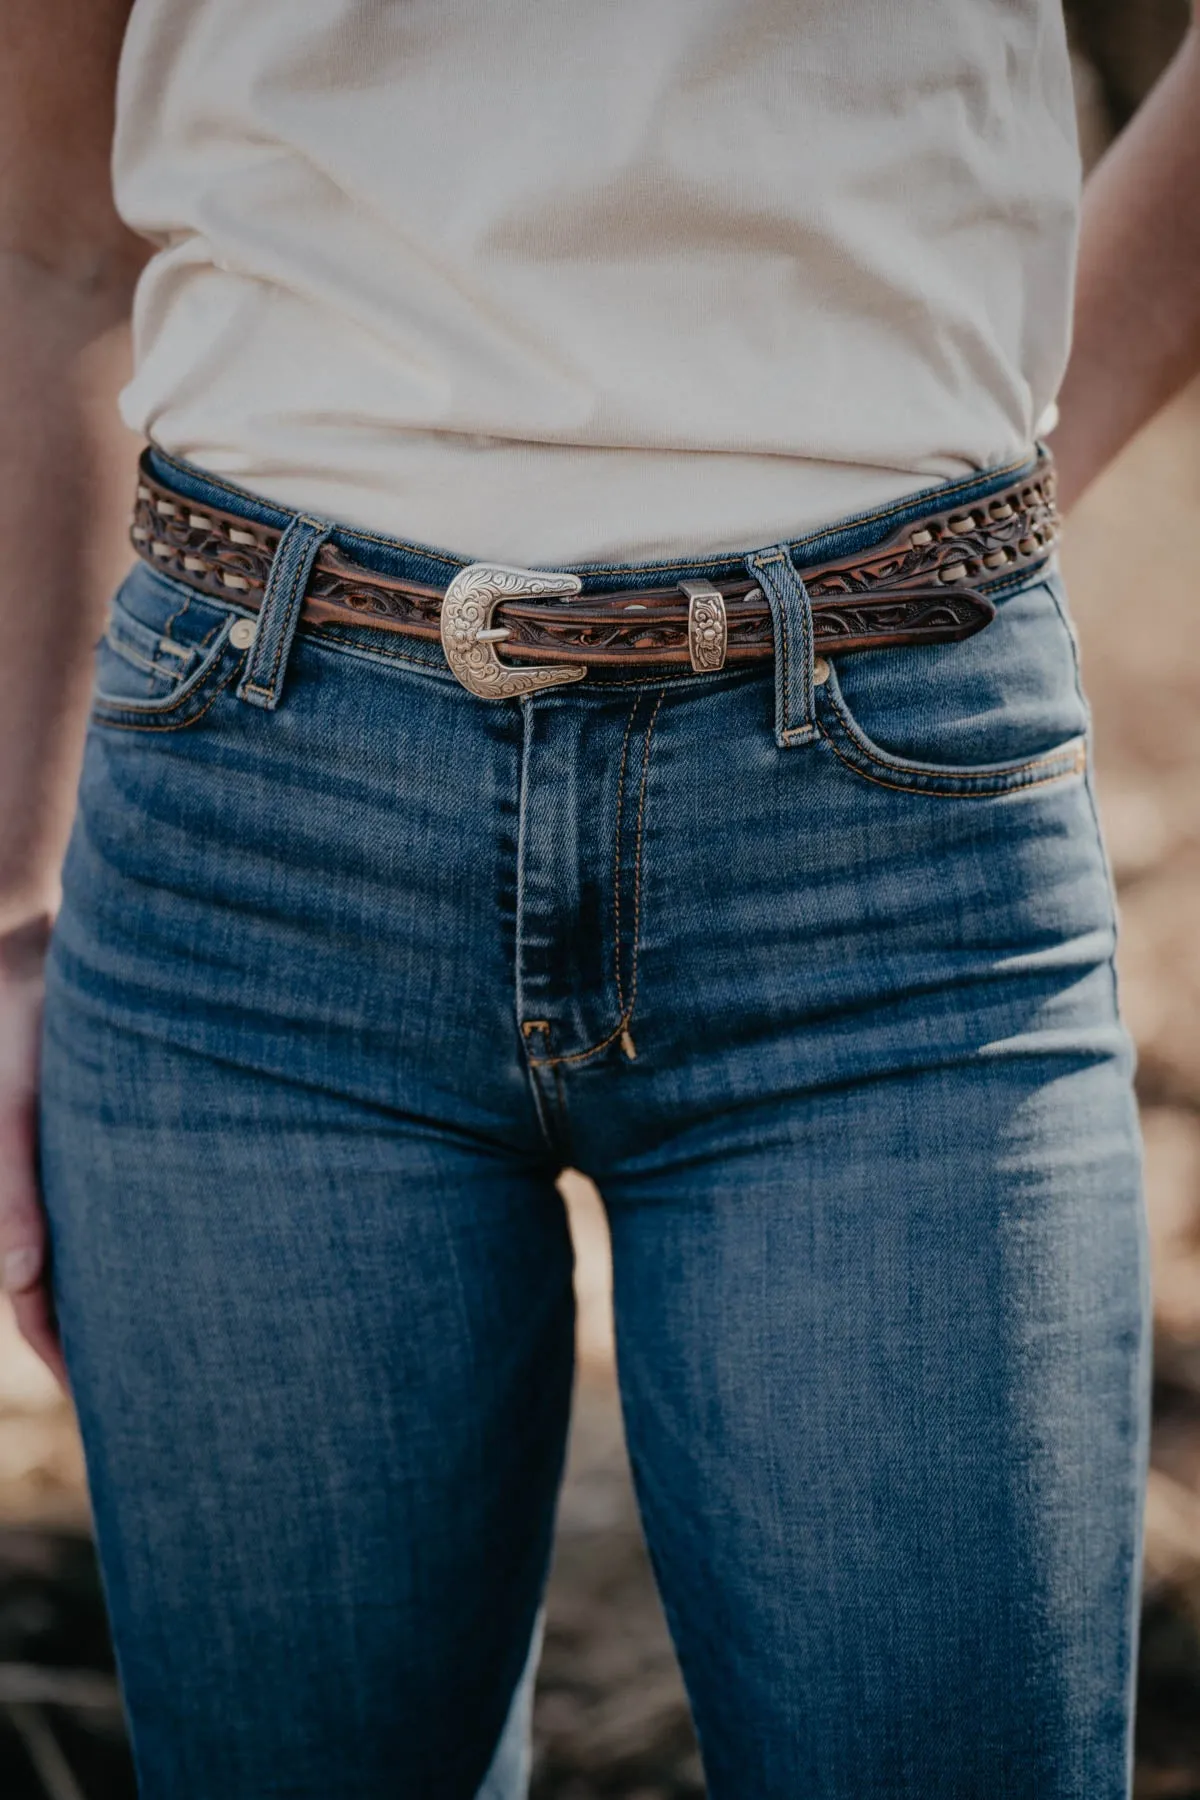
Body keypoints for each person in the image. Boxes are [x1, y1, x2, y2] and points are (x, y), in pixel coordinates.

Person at [2, 2, 1199, 1795]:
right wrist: (10, 902)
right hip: (258, 844)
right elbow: (37, 231)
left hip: (886, 867)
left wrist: (962, 516)